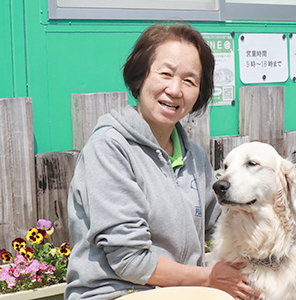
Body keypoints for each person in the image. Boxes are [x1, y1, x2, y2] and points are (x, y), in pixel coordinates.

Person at [65, 22, 260, 300]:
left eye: (190, 81)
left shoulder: (194, 157)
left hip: (183, 291)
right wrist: (210, 278)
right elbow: (130, 261)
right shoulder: (109, 148)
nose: (175, 90)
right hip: (116, 292)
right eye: (165, 74)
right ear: (140, 77)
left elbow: (222, 224)